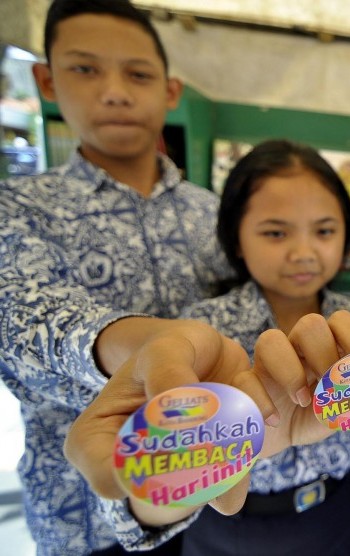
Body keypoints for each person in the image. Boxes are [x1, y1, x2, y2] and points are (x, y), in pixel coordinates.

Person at [0, 1, 248, 554]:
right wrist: (129, 346)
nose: (115, 91)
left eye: (137, 73)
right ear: (45, 80)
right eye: (85, 68)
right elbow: (17, 312)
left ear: (170, 91)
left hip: (203, 492)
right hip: (80, 513)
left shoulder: (212, 215)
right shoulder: (18, 207)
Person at [102, 140, 350, 555]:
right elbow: (150, 470)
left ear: (347, 235)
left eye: (324, 231)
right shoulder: (197, 331)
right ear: (236, 238)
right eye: (276, 232)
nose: (304, 252)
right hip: (226, 532)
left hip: (335, 523)